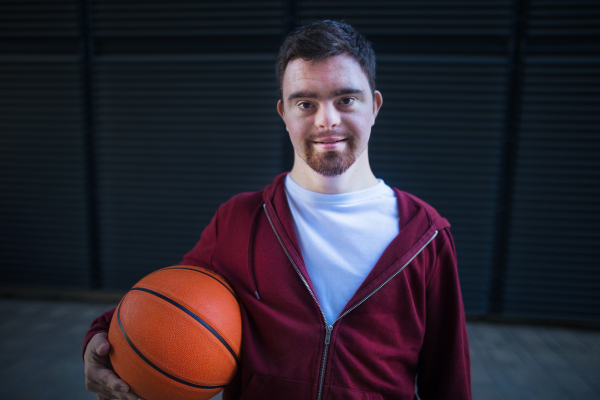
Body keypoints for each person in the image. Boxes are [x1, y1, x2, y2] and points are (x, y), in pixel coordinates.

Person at [83, 20, 471, 400]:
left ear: (375, 106)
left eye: (346, 99)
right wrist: (99, 338)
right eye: (306, 102)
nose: (327, 120)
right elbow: (170, 301)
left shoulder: (426, 236)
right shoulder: (238, 220)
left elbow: (449, 378)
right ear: (284, 114)